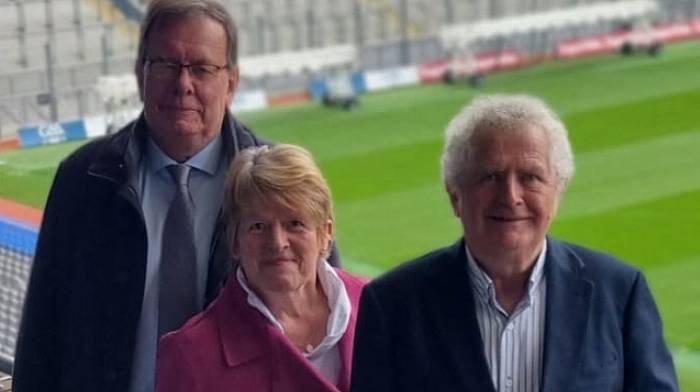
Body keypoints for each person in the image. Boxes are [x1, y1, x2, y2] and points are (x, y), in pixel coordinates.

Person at [13, 1, 338, 391]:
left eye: (201, 68)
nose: (183, 84)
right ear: (140, 75)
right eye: (166, 64)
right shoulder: (84, 181)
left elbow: (331, 324)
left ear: (231, 82)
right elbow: (42, 331)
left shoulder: (280, 184)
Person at [350, 95, 678, 392]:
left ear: (557, 193)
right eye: (490, 176)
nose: (511, 196)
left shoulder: (620, 292)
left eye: (531, 177)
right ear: (455, 196)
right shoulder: (393, 305)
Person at [157, 144, 365, 392]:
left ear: (325, 234)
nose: (277, 243)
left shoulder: (379, 305)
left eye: (295, 224)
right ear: (234, 240)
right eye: (258, 226)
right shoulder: (192, 355)